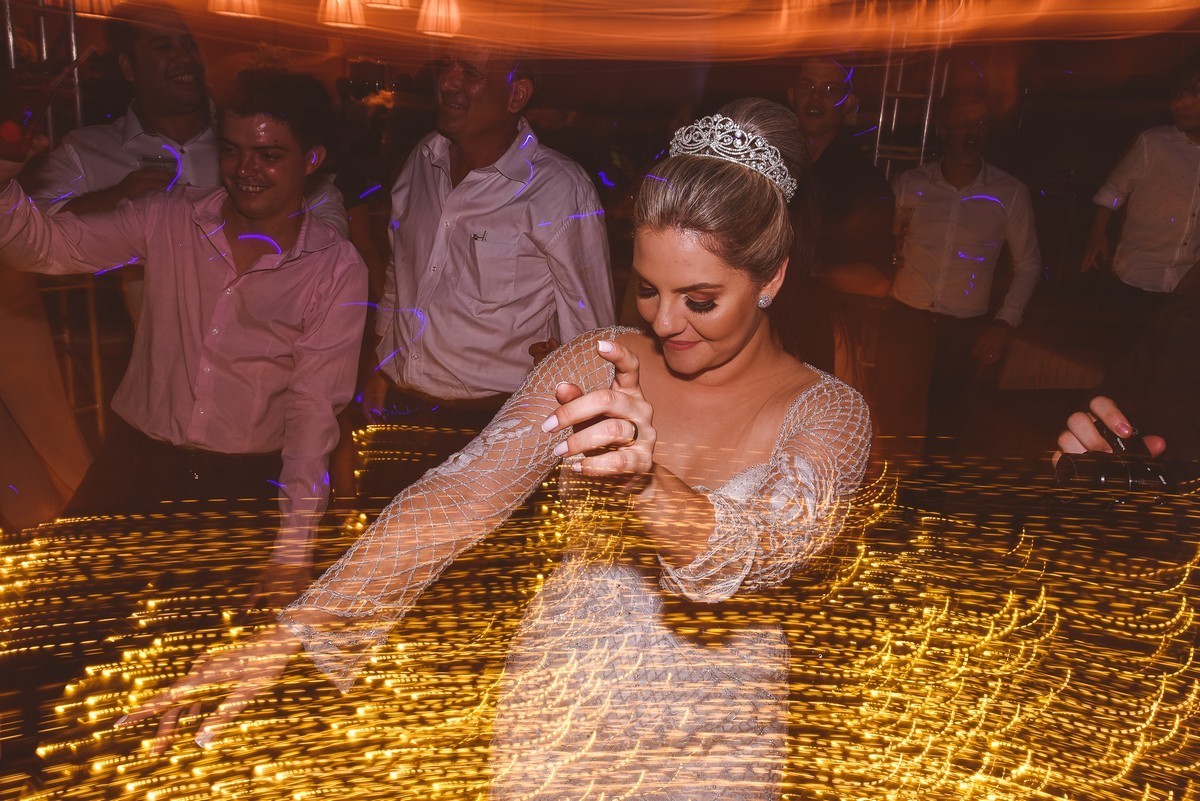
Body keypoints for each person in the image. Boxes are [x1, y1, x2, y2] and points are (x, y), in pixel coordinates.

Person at [121, 98, 872, 799]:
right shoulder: (594, 363)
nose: (667, 322)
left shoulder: (831, 413)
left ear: (770, 277)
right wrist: (295, 632)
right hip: (562, 699)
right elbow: (458, 496)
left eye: (700, 300)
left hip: (714, 733)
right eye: (647, 289)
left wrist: (647, 484)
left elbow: (764, 546)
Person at [0, 69, 367, 599]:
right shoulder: (169, 217)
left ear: (311, 160)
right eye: (233, 151)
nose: (247, 170)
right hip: (134, 467)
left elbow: (312, 413)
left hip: (239, 489)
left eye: (269, 155)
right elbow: (45, 248)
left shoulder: (334, 268)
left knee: (196, 659)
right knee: (59, 630)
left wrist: (292, 552)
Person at [360, 48, 615, 490]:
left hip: (497, 425)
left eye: (472, 72)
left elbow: (591, 332)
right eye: (447, 66)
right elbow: (399, 271)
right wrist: (382, 363)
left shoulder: (558, 189)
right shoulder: (423, 159)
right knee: (386, 554)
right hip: (402, 414)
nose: (448, 82)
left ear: (516, 95)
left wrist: (580, 442)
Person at [23, 2, 347, 324]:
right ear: (128, 66)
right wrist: (113, 200)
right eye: (164, 45)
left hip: (270, 353)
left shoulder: (247, 142)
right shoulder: (87, 151)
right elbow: (29, 239)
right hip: (165, 361)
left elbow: (327, 221)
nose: (185, 57)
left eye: (190, 44)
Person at [874, 93, 1042, 447]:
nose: (972, 132)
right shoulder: (909, 185)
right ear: (943, 130)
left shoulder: (1010, 192)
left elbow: (1028, 264)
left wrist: (1004, 323)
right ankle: (884, 497)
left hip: (964, 330)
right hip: (906, 319)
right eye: (964, 123)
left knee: (948, 431)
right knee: (889, 422)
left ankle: (930, 500)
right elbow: (879, 246)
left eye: (980, 124)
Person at [778, 55, 895, 407]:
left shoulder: (864, 183)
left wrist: (807, 269)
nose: (816, 99)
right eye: (808, 87)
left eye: (830, 90)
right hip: (761, 335)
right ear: (791, 94)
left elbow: (877, 282)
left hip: (822, 343)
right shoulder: (770, 165)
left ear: (850, 102)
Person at [1081, 52, 1200, 339]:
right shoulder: (1155, 142)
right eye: (1177, 95)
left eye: (1194, 95)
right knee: (1123, 358)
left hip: (1185, 288)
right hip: (1135, 277)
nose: (1181, 104)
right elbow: (1113, 191)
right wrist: (1097, 236)